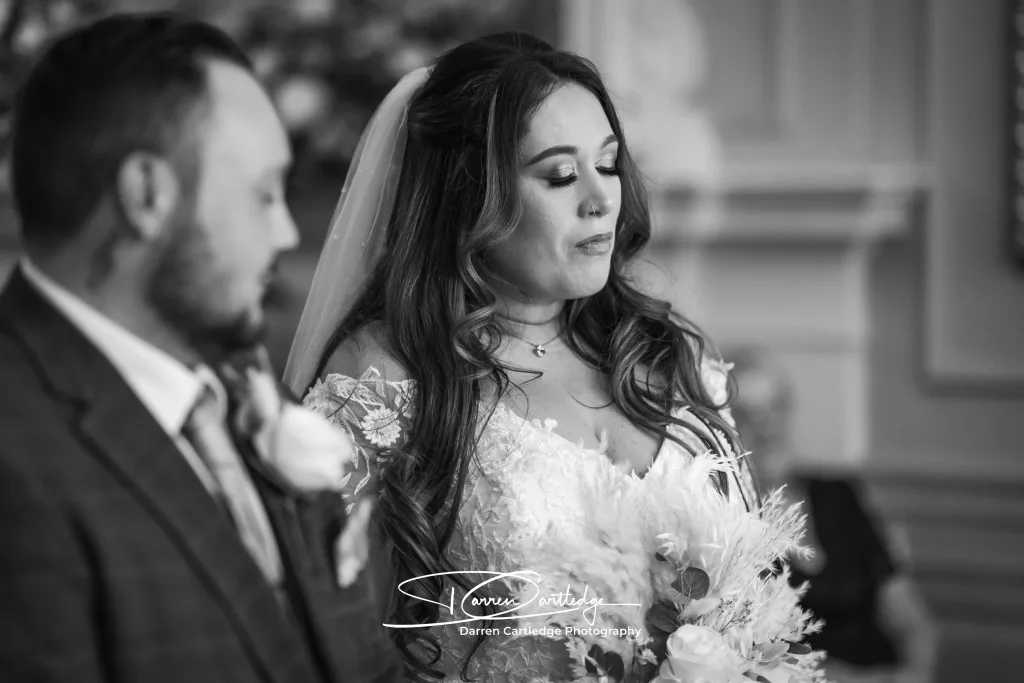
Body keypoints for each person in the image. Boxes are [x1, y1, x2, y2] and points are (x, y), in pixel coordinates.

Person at [284, 33, 759, 682]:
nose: (601, 199)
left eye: (610, 164)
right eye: (560, 175)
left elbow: (755, 594)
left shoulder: (673, 354)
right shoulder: (387, 375)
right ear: (469, 194)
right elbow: (305, 614)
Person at [0, 13, 400, 683]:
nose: (283, 234)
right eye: (264, 193)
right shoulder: (16, 457)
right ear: (148, 195)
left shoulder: (238, 387)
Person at [729, 352, 938, 683]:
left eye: (775, 407)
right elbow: (751, 659)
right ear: (724, 426)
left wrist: (913, 674)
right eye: (747, 414)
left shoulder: (839, 494)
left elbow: (912, 621)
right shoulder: (730, 524)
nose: (766, 427)